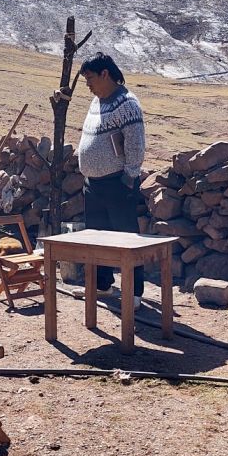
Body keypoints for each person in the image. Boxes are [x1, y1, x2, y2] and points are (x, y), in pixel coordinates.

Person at [75, 53, 147, 310]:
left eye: (91, 78)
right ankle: (103, 285)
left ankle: (134, 292)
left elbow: (136, 145)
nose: (88, 85)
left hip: (117, 183)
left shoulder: (127, 104)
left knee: (127, 239)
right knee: (97, 238)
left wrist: (128, 179)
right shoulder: (97, 102)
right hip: (93, 184)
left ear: (106, 74)